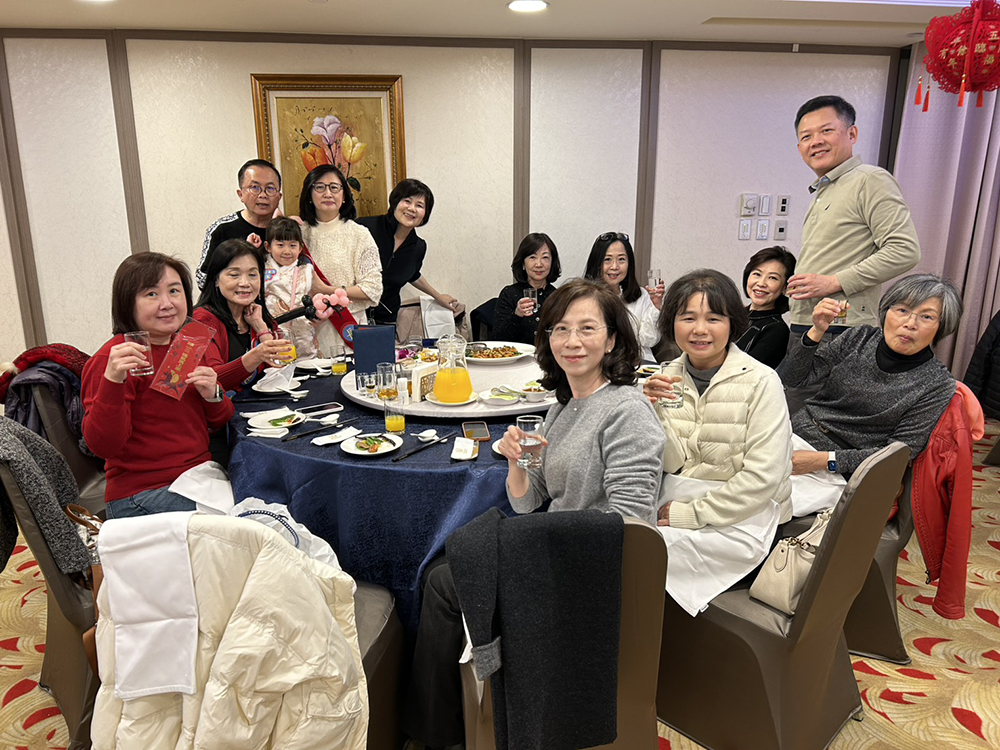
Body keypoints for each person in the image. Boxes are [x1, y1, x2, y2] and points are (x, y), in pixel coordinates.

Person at [403, 279, 665, 750]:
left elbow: (630, 522)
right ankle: (440, 729)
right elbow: (530, 499)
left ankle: (436, 735)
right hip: (558, 546)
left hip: (590, 564)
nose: (572, 341)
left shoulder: (627, 411)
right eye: (560, 329)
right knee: (441, 569)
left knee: (445, 579)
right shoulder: (564, 405)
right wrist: (516, 462)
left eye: (587, 329)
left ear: (612, 340)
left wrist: (535, 541)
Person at [81, 253, 234, 518]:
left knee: (265, 497)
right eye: (151, 294)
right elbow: (103, 446)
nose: (167, 303)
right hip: (141, 495)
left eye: (174, 291)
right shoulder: (114, 359)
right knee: (250, 521)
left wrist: (213, 394)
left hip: (197, 479)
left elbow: (221, 419)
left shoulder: (186, 345)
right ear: (128, 303)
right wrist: (113, 381)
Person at [643, 269, 792, 529]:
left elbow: (763, 478)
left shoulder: (762, 382)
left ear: (732, 323)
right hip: (679, 505)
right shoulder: (666, 378)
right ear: (671, 322)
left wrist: (693, 514)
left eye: (713, 319)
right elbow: (674, 464)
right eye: (688, 318)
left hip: (750, 517)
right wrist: (651, 412)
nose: (700, 330)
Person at [778, 274, 961, 476]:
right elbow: (792, 379)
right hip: (796, 434)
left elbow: (898, 453)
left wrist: (824, 461)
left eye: (927, 317)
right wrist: (817, 331)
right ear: (886, 311)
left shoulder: (937, 383)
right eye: (902, 310)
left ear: (942, 327)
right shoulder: (859, 337)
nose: (910, 323)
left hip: (843, 467)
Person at [787, 95, 919, 341]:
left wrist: (834, 282)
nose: (816, 141)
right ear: (799, 148)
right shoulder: (824, 189)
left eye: (826, 131)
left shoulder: (869, 180)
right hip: (807, 321)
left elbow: (905, 250)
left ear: (852, 134)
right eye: (806, 136)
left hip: (841, 326)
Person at [299, 165, 382, 355]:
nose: (327, 193)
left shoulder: (359, 234)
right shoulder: (298, 235)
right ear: (309, 194)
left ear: (344, 195)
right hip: (309, 330)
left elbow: (373, 289)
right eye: (320, 187)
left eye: (334, 187)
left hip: (349, 329)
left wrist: (326, 290)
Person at [357, 179, 459, 325]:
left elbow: (413, 274)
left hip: (385, 320)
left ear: (425, 215)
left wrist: (438, 296)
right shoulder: (365, 228)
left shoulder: (418, 247)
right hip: (353, 314)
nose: (412, 209)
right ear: (395, 202)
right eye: (407, 201)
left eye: (419, 205)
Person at [193, 239, 289, 393]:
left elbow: (281, 369)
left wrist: (261, 329)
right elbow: (211, 382)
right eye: (234, 275)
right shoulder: (201, 320)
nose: (245, 283)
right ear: (216, 279)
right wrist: (255, 356)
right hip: (227, 406)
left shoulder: (256, 314)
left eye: (252, 275)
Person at [197, 159, 282, 289]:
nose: (263, 195)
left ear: (279, 196)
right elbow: (203, 278)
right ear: (241, 194)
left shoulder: (287, 230)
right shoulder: (222, 229)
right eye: (255, 188)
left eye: (270, 188)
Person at [584, 232, 659, 361]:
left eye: (621, 259)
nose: (614, 267)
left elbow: (648, 340)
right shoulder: (584, 298)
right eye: (607, 260)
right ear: (596, 263)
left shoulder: (641, 295)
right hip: (598, 362)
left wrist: (656, 306)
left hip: (638, 363)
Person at [263, 217, 322, 360]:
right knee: (278, 364)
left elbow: (317, 295)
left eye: (292, 245)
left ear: (300, 248)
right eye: (280, 245)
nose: (287, 251)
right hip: (275, 332)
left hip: (304, 332)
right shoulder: (261, 270)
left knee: (308, 364)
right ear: (268, 247)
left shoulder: (305, 270)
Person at [492, 232, 562, 344]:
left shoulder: (558, 297)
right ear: (523, 264)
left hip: (547, 355)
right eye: (532, 257)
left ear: (552, 262)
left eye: (545, 257)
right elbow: (497, 339)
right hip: (517, 354)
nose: (539, 264)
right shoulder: (509, 294)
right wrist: (517, 315)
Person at [735, 245, 797, 369]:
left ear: (785, 288)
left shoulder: (777, 330)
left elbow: (746, 371)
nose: (761, 283)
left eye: (773, 278)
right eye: (757, 274)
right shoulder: (734, 314)